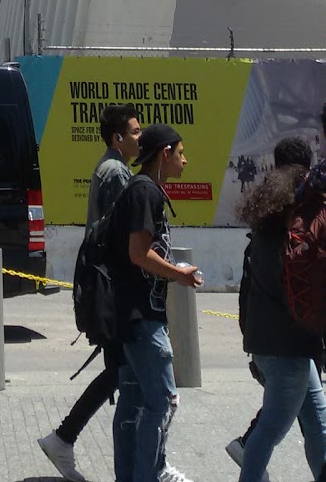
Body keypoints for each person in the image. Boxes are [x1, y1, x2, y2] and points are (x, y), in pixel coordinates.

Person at [38, 102, 143, 482]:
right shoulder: (115, 172)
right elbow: (121, 236)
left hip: (109, 286)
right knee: (126, 375)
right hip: (112, 287)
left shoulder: (114, 167)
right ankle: (68, 440)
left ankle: (64, 439)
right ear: (118, 138)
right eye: (134, 131)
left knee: (120, 374)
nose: (140, 136)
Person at [110, 124, 202, 482]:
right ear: (165, 153)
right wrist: (177, 275)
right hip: (141, 317)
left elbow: (143, 252)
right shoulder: (146, 192)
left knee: (133, 403)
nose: (185, 160)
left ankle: (131, 476)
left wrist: (170, 269)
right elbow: (138, 253)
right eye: (181, 153)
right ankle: (153, 472)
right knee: (163, 402)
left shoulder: (142, 190)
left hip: (135, 313)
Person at [233, 154, 326, 482]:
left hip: (275, 346)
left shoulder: (264, 234)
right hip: (288, 350)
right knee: (270, 429)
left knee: (318, 427)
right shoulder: (289, 244)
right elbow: (296, 300)